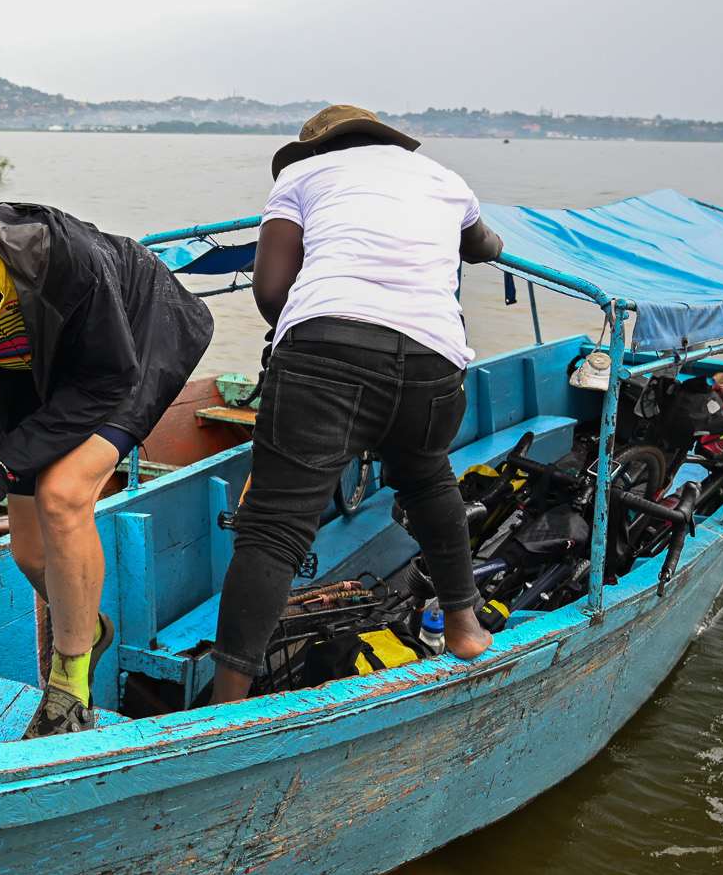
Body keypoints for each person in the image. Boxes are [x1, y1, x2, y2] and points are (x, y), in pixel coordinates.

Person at [0, 175, 214, 738]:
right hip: (37, 373)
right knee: (29, 551)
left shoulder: (62, 258)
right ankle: (89, 629)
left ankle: (69, 691)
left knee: (63, 495)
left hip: (130, 347)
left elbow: (107, 380)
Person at [210, 104, 506, 705]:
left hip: (326, 353)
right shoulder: (445, 181)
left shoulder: (299, 178)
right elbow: (486, 246)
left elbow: (271, 290)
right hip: (434, 358)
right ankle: (465, 626)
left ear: (316, 149)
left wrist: (304, 340)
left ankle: (227, 704)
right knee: (427, 479)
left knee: (274, 524)